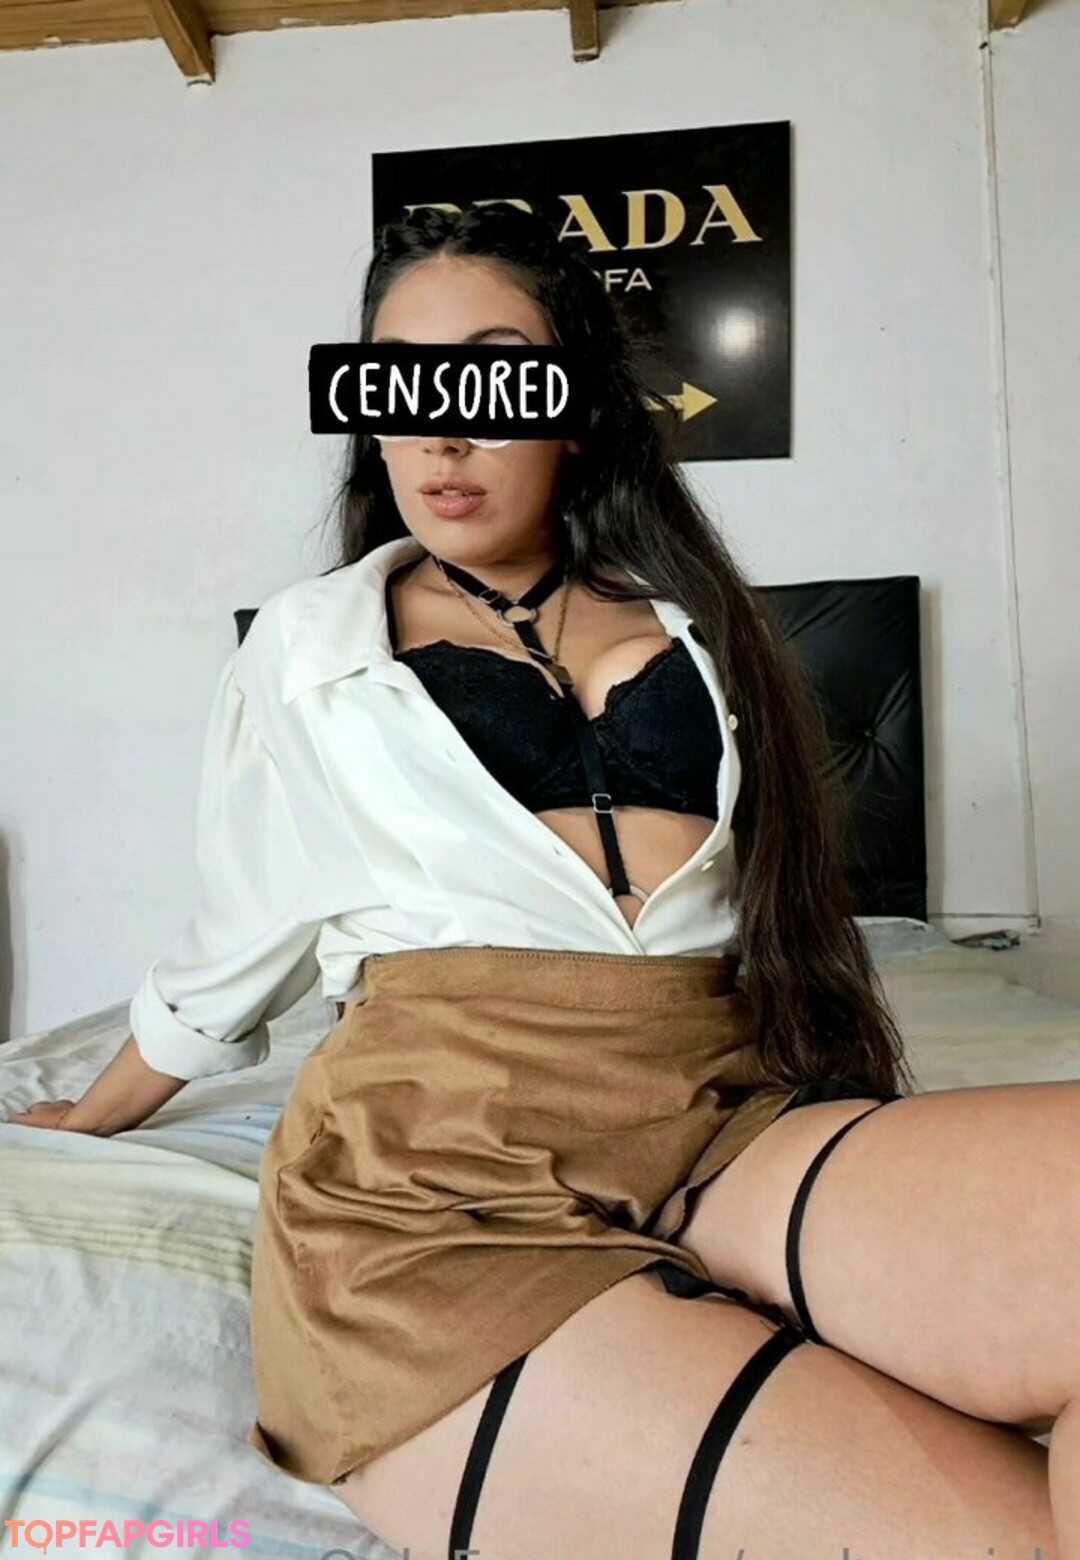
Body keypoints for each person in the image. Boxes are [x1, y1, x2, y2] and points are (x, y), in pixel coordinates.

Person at [13, 206, 1072, 1560]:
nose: (442, 435)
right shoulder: (307, 647)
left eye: (494, 377)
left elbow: (774, 912)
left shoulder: (697, 622)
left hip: (725, 1118)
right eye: (402, 387)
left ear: (574, 408)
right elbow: (235, 948)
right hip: (442, 1179)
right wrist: (94, 1112)